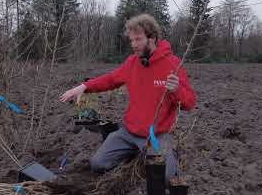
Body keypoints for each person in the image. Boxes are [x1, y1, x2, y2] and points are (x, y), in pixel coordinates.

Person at [59, 13, 197, 184]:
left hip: (156, 136)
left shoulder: (173, 64)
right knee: (98, 164)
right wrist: (84, 87)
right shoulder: (132, 62)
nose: (133, 45)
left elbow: (190, 103)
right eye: (131, 40)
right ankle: (134, 152)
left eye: (138, 39)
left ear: (152, 38)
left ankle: (162, 152)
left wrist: (176, 90)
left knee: (167, 178)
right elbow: (111, 79)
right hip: (128, 132)